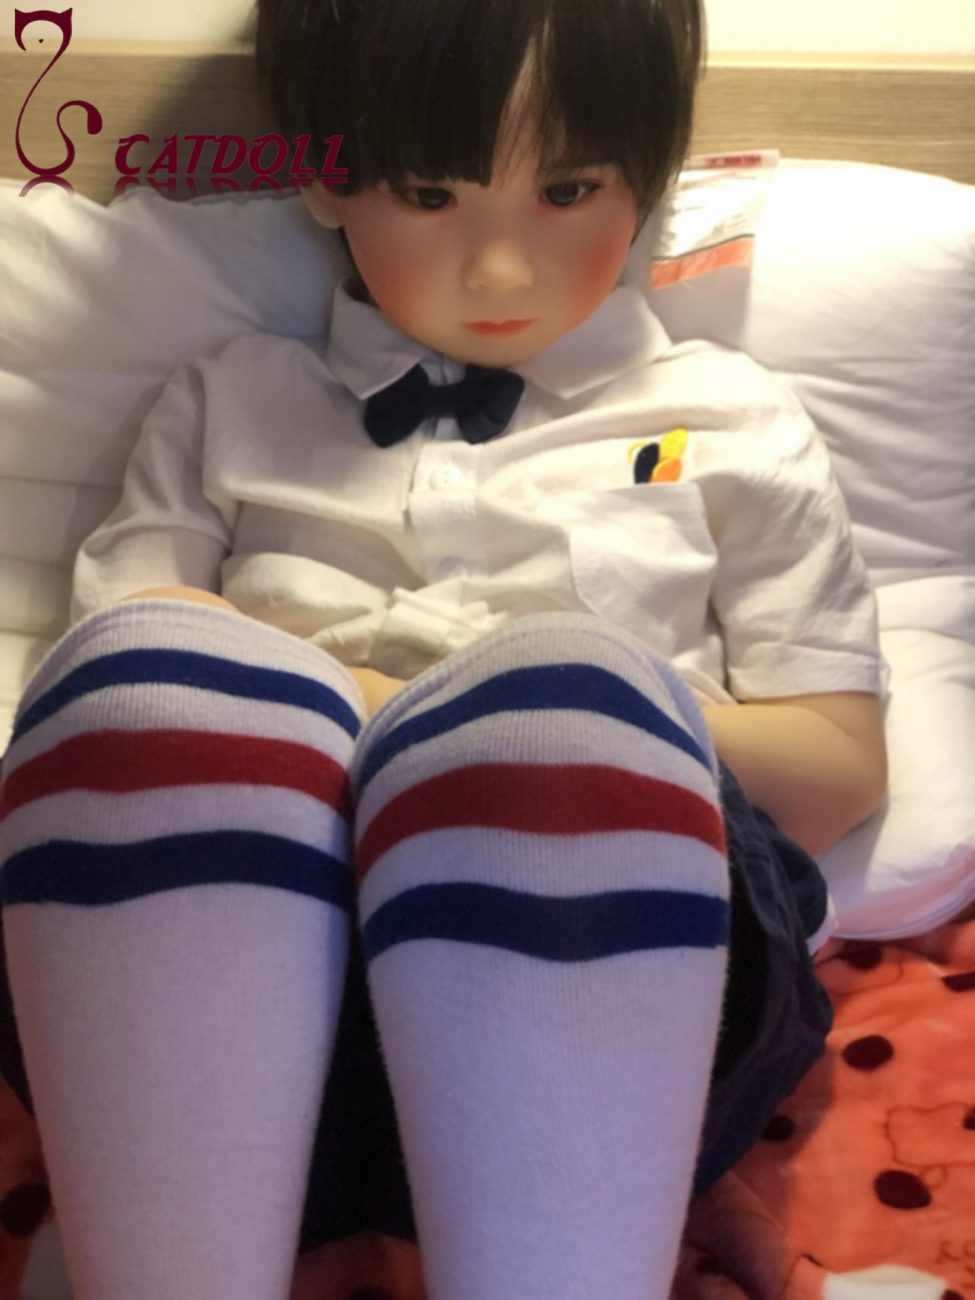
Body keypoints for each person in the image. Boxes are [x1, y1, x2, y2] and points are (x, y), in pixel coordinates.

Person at [0, 0, 891, 1297]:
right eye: (430, 194)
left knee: (558, 699)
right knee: (150, 695)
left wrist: (471, 710)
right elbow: (116, 696)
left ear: (649, 177)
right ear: (325, 176)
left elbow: (839, 767)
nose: (503, 271)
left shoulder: (732, 420)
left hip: (633, 981)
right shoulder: (229, 399)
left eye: (569, 191)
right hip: (238, 1001)